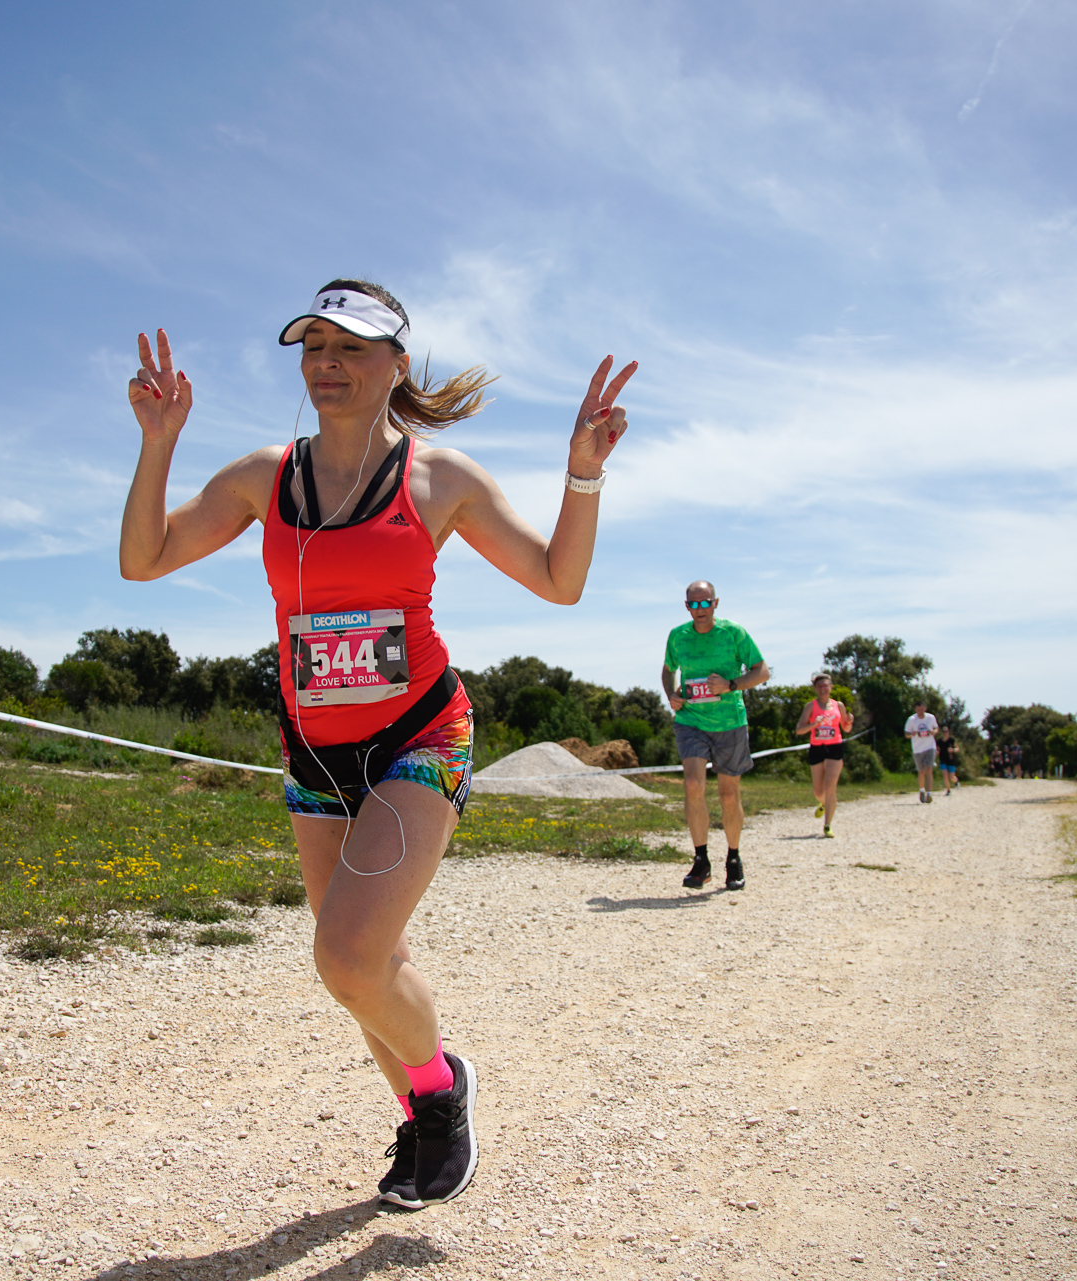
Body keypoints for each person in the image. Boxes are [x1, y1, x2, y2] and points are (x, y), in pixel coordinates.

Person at [117, 279, 635, 1210]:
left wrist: (583, 472)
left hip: (419, 734)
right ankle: (424, 1106)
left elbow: (560, 581)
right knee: (353, 965)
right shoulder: (261, 477)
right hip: (314, 751)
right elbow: (143, 557)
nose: (327, 364)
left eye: (352, 347)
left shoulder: (441, 480)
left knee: (348, 954)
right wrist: (157, 447)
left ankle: (439, 1097)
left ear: (397, 362)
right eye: (313, 345)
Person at [661, 582, 770, 888]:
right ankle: (700, 860)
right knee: (694, 783)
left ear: (716, 603)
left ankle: (733, 858)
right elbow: (668, 670)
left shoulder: (734, 633)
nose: (700, 610)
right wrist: (671, 694)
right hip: (691, 720)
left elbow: (761, 671)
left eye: (705, 603)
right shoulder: (677, 635)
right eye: (693, 605)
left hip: (729, 723)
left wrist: (731, 685)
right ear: (686, 607)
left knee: (728, 794)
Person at [793, 673, 853, 838]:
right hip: (817, 748)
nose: (823, 689)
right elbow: (799, 730)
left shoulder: (838, 705)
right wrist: (814, 724)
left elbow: (846, 728)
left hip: (834, 747)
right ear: (815, 689)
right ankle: (824, 803)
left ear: (831, 687)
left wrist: (849, 721)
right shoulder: (810, 706)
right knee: (819, 791)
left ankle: (827, 825)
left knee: (830, 786)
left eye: (826, 685)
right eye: (819, 686)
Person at [905, 700, 940, 802]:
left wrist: (933, 731)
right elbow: (907, 734)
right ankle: (921, 790)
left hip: (930, 746)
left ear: (925, 708)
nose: (920, 711)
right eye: (918, 709)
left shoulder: (931, 718)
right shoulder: (911, 720)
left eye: (922, 709)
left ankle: (929, 793)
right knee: (921, 771)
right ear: (916, 709)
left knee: (929, 769)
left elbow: (936, 727)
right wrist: (913, 734)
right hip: (917, 748)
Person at [936, 725, 959, 795]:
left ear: (948, 732)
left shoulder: (951, 740)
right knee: (945, 775)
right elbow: (938, 749)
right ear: (942, 733)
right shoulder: (939, 741)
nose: (945, 733)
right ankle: (948, 790)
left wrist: (953, 750)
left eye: (946, 731)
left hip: (951, 760)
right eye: (943, 731)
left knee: (951, 776)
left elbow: (957, 748)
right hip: (943, 760)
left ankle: (956, 781)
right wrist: (937, 752)